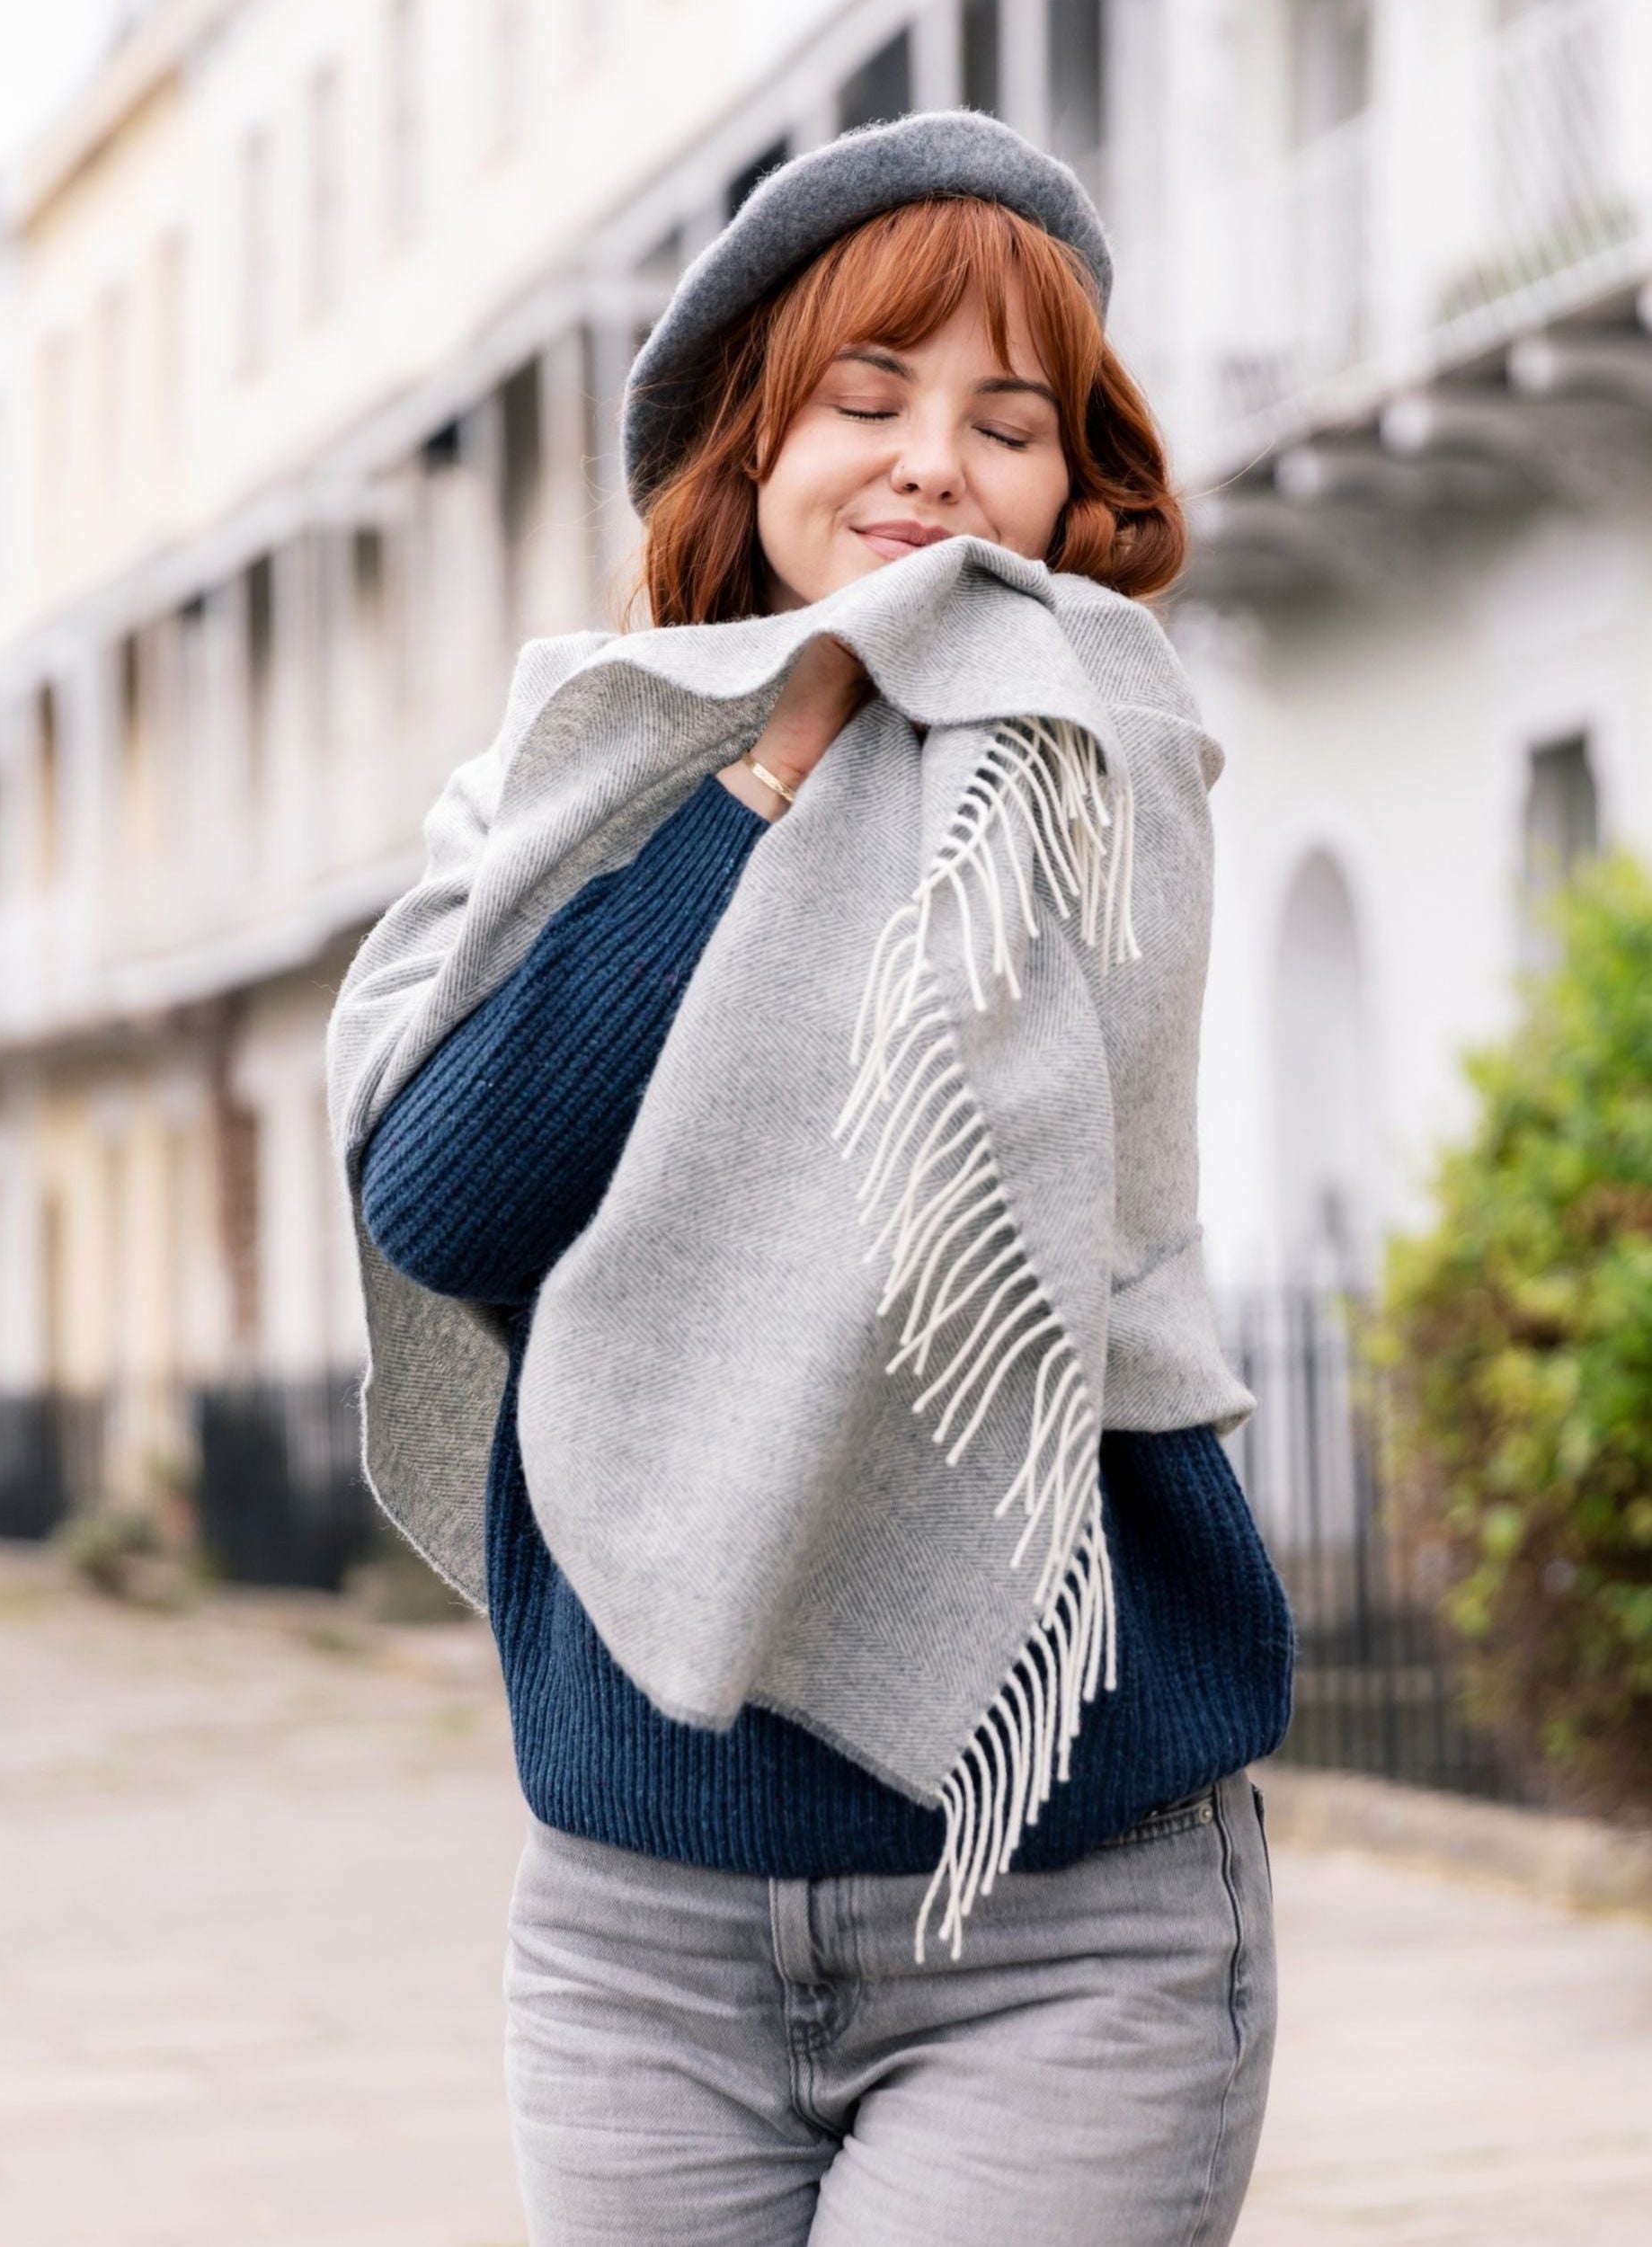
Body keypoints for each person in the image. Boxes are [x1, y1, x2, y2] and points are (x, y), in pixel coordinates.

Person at [351, 111, 1293, 2247]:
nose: (932, 464)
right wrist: (773, 752)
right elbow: (451, 1196)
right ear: (751, 440)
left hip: (1067, 1902)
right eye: (866, 399)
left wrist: (867, 708)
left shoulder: (1091, 752)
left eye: (1006, 421)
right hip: (637, 1923)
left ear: (1073, 481)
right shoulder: (559, 782)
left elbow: (961, 1219)